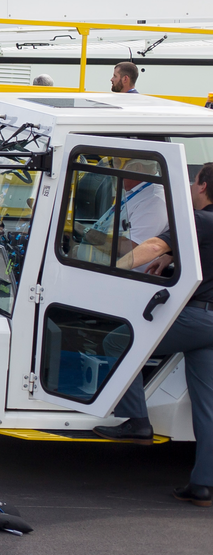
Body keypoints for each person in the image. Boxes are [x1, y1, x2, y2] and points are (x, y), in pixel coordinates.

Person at [96, 163, 213, 488]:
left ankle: (137, 422)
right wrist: (174, 259)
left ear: (203, 186)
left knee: (118, 343)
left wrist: (109, 271)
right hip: (208, 328)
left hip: (198, 317)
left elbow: (149, 248)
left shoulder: (199, 221)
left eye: (194, 182)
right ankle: (202, 485)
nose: (190, 187)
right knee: (208, 408)